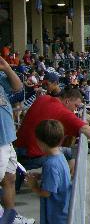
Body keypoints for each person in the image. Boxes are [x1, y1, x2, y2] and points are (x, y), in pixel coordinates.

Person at [16, 88, 90, 169]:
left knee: (70, 152)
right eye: (75, 106)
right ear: (67, 101)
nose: (75, 110)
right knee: (70, 159)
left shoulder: (44, 98)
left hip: (18, 146)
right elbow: (85, 129)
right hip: (31, 156)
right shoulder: (63, 112)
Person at [0, 56, 34, 224]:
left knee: (10, 178)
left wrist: (6, 68)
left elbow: (18, 88)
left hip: (7, 138)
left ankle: (10, 216)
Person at [27, 120, 71, 224]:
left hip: (56, 215)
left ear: (40, 142)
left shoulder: (50, 164)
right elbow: (58, 177)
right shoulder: (60, 156)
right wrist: (42, 176)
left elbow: (47, 193)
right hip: (64, 210)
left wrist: (34, 186)